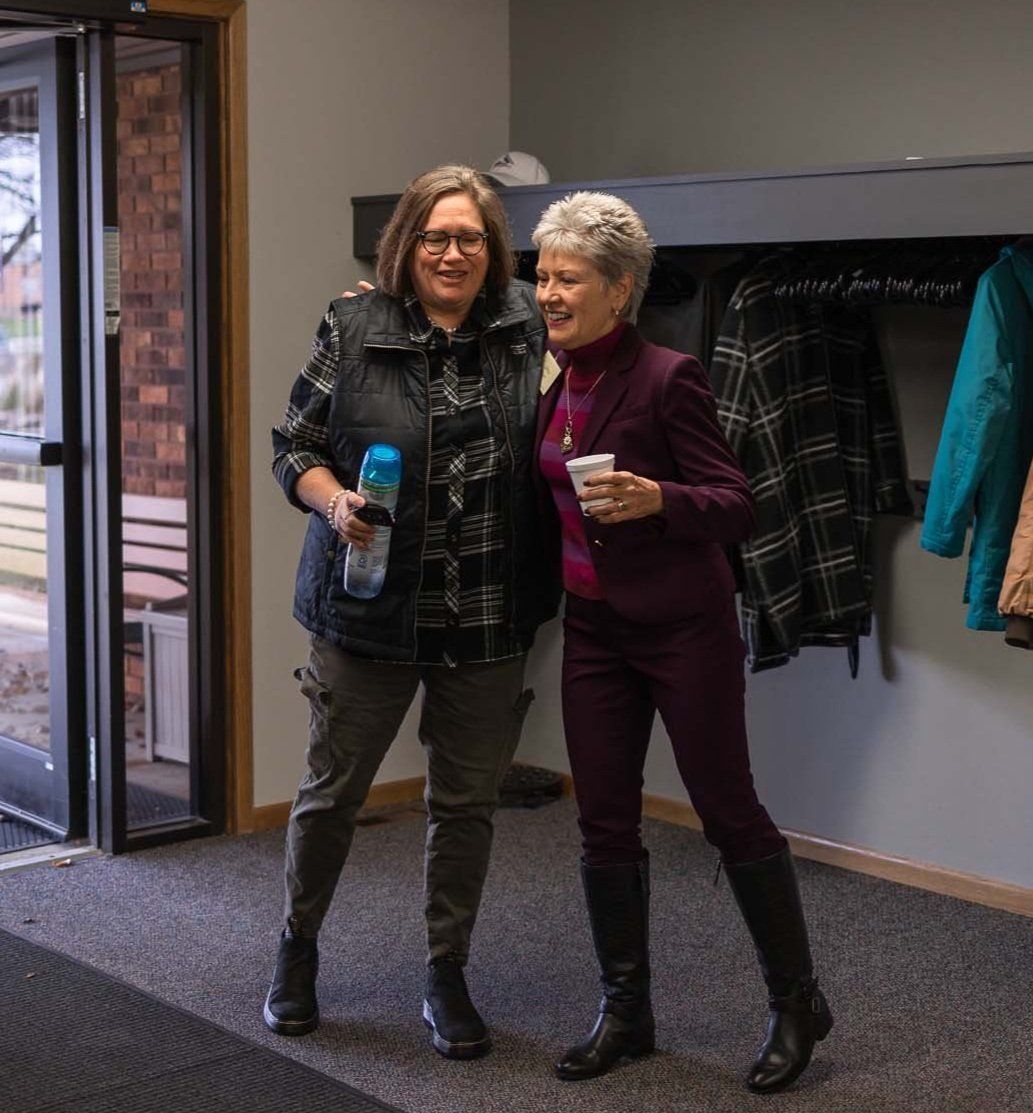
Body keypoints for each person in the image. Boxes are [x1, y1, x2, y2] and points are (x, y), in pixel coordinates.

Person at [530, 191, 833, 1094]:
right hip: (592, 629)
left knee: (725, 811)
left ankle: (795, 1001)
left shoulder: (668, 376)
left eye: (567, 278)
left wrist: (659, 497)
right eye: (541, 275)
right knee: (602, 820)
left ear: (618, 290)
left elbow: (737, 504)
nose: (546, 293)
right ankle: (626, 1012)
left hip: (680, 629)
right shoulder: (544, 373)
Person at [266, 165, 557, 1060]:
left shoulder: (527, 325)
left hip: (486, 609)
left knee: (465, 804)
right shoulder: (353, 322)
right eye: (436, 236)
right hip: (368, 607)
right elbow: (295, 446)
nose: (453, 253)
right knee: (332, 793)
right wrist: (333, 502)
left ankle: (446, 970)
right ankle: (297, 948)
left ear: (494, 250)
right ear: (406, 244)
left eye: (471, 238)